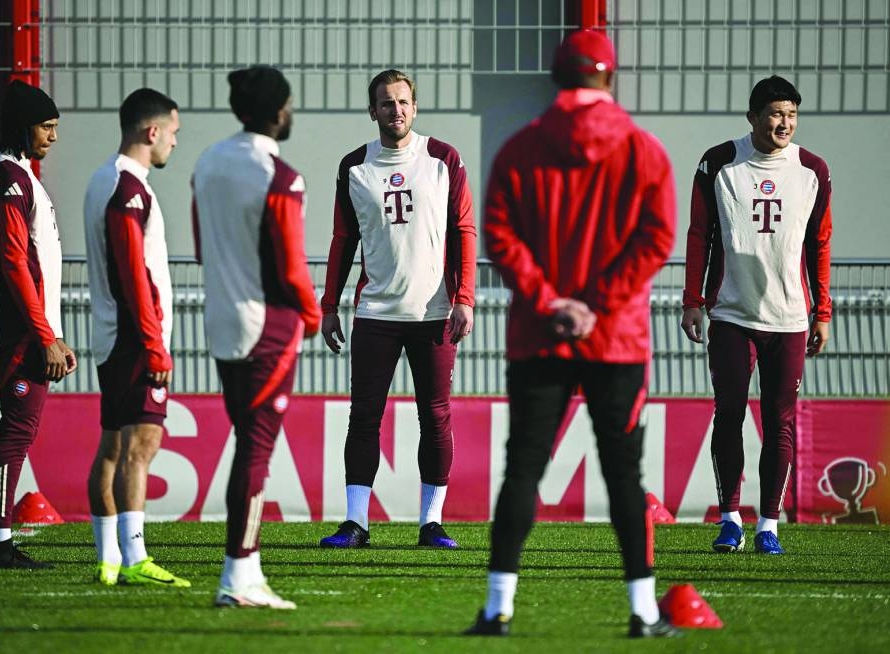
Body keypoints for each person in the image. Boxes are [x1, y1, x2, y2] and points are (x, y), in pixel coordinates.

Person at [466, 30, 677, 638]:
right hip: (616, 338)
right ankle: (641, 610)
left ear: (556, 79)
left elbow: (501, 234)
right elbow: (657, 237)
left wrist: (549, 299)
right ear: (608, 78)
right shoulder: (642, 150)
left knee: (524, 468)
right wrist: (596, 304)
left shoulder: (520, 148)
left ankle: (497, 606)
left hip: (539, 333)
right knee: (624, 476)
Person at [318, 69, 476, 550]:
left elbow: (463, 231)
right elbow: (342, 241)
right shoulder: (354, 167)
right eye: (386, 103)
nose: (396, 110)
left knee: (436, 417)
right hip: (374, 314)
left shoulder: (443, 159)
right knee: (364, 417)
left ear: (415, 106)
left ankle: (432, 523)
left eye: (403, 102)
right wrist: (329, 306)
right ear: (373, 111)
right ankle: (356, 523)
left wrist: (464, 298)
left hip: (434, 313)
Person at [681, 75, 832, 556]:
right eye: (774, 113)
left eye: (790, 114)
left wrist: (822, 310)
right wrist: (692, 301)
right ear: (753, 117)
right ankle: (729, 520)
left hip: (789, 318)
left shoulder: (812, 170)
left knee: (779, 422)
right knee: (728, 414)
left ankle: (768, 524)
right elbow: (699, 234)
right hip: (730, 313)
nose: (783, 122)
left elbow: (820, 244)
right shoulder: (719, 162)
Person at [192, 66, 321, 609]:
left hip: (220, 319)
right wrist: (312, 315)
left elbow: (202, 246)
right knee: (257, 449)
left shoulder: (207, 161)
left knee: (248, 444)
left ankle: (247, 569)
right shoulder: (280, 175)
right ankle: (239, 575)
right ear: (277, 111)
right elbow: (291, 265)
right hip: (266, 324)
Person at [83, 88, 188, 587]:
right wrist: (154, 343)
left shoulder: (103, 179)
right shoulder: (129, 188)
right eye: (173, 133)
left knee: (112, 447)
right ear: (153, 132)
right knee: (141, 445)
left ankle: (107, 559)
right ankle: (134, 556)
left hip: (113, 335)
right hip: (133, 338)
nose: (174, 142)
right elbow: (133, 273)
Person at [0, 80, 77, 569]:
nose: (53, 136)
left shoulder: (19, 175)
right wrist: (44, 336)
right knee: (16, 431)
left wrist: (54, 333)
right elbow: (17, 264)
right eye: (46, 126)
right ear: (23, 126)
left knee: (20, 429)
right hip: (20, 331)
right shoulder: (10, 180)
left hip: (32, 329)